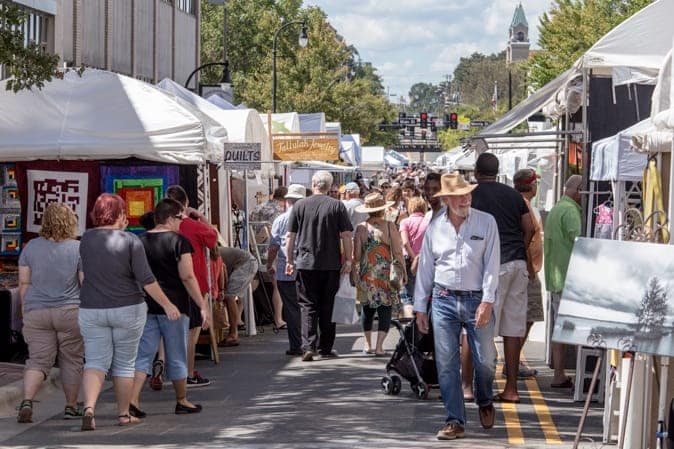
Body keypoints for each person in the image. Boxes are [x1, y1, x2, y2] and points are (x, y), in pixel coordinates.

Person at [78, 193, 180, 431]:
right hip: (127, 308)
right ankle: (123, 414)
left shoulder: (85, 239)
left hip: (92, 309)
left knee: (94, 361)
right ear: (121, 214)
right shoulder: (131, 241)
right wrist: (167, 304)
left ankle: (89, 408)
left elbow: (85, 273)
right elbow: (147, 280)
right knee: (124, 364)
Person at [414, 173, 499, 440]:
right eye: (460, 195)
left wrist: (487, 300)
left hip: (476, 298)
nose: (466, 198)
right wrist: (419, 307)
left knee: (485, 360)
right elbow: (426, 268)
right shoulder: (435, 227)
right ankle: (455, 420)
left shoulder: (486, 222)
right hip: (443, 298)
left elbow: (492, 265)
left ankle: (485, 398)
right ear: (447, 199)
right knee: (447, 364)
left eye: (468, 193)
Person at [131, 199, 208, 417]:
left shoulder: (139, 241)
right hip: (175, 305)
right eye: (180, 218)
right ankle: (182, 399)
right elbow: (187, 275)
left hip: (146, 303)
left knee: (143, 353)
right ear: (170, 218)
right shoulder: (179, 242)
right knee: (176, 353)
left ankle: (133, 399)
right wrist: (201, 305)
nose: (181, 223)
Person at [470, 153, 534, 404]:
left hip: (490, 266)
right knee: (513, 329)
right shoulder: (514, 196)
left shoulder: (472, 194)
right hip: (517, 262)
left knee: (477, 325)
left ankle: (470, 385)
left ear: (476, 171)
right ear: (497, 172)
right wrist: (521, 246)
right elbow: (529, 227)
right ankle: (511, 389)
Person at [17, 203, 84, 423]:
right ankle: (71, 406)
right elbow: (84, 283)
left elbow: (24, 283)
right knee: (72, 360)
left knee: (37, 361)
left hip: (37, 311)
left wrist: (25, 310)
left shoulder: (31, 247)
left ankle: (27, 401)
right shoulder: (77, 248)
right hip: (70, 310)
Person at [285, 170, 353, 362]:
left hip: (305, 263)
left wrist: (289, 261)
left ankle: (308, 346)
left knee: (307, 305)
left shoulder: (299, 205)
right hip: (331, 264)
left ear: (313, 184)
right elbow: (346, 235)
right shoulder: (337, 206)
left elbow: (290, 237)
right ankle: (325, 347)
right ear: (331, 186)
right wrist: (348, 260)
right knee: (328, 305)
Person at [166, 185, 217, 388]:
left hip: (167, 284)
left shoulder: (159, 227)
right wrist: (201, 216)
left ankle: (164, 369)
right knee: (191, 332)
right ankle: (187, 372)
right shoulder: (194, 226)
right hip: (194, 282)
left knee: (166, 332)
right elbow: (214, 239)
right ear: (186, 203)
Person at [353, 193, 406, 356]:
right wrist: (403, 272)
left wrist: (356, 274)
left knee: (367, 310)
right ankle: (379, 346)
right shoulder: (390, 226)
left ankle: (368, 344)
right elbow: (397, 252)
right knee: (385, 309)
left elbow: (357, 255)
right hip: (385, 274)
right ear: (382, 209)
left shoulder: (361, 227)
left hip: (366, 274)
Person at [544, 174, 583, 389]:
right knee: (574, 328)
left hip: (556, 277)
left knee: (559, 329)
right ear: (578, 191)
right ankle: (576, 375)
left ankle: (559, 373)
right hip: (569, 277)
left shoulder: (558, 208)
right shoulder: (570, 211)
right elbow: (579, 242)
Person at [267, 184, 306, 356]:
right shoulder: (308, 218)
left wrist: (269, 264)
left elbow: (274, 246)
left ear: (287, 201)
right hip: (307, 267)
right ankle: (310, 342)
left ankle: (296, 345)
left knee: (291, 308)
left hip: (286, 269)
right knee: (308, 306)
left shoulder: (280, 220)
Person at [513, 168, 545, 378]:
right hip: (527, 269)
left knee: (526, 317)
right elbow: (526, 234)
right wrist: (527, 264)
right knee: (526, 317)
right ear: (531, 185)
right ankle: (512, 362)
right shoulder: (522, 206)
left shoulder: (525, 205)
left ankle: (513, 360)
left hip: (529, 267)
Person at [249, 186, 287, 331]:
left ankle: (239, 317)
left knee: (251, 284)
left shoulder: (257, 208)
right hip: (270, 252)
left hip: (255, 251)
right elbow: (276, 235)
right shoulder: (279, 212)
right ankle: (278, 319)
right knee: (277, 285)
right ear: (284, 199)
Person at [219, 246, 258, 346]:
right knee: (229, 296)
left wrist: (221, 290)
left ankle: (233, 335)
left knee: (229, 297)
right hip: (246, 262)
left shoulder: (210, 253)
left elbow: (222, 271)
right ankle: (234, 330)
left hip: (246, 263)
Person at [398, 196, 429, 318]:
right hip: (425, 259)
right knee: (423, 290)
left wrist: (413, 256)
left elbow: (405, 242)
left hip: (408, 259)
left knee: (407, 292)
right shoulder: (429, 222)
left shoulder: (405, 222)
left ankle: (410, 323)